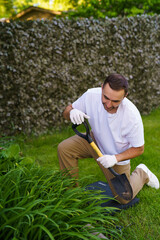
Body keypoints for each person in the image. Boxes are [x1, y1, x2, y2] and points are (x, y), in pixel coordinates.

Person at [58, 73, 159, 204]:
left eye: (115, 101)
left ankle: (142, 172)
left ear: (125, 96)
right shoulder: (90, 95)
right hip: (94, 141)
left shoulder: (132, 116)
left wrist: (115, 158)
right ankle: (71, 195)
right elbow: (67, 111)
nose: (109, 104)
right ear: (101, 88)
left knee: (123, 198)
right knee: (64, 148)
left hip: (115, 156)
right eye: (106, 97)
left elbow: (139, 149)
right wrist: (71, 112)